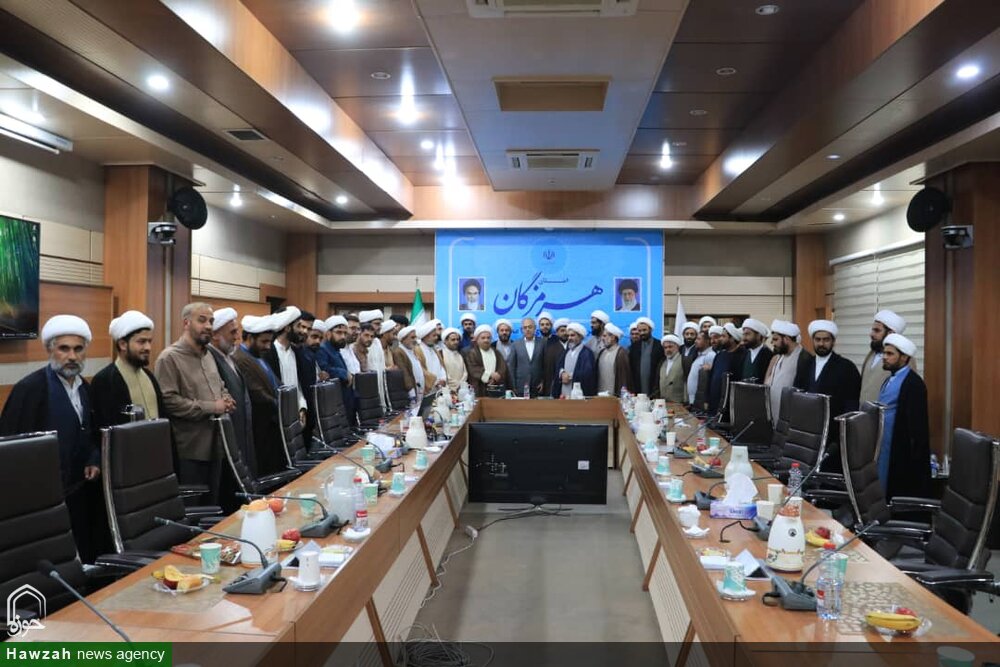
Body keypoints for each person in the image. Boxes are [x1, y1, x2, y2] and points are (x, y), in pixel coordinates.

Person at [0, 315, 102, 562]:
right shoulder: (30, 389)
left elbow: (90, 432)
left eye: (78, 349)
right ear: (49, 350)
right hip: (40, 499)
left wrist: (93, 458)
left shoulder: (85, 388)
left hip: (78, 493)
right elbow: (11, 448)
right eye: (64, 348)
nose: (72, 356)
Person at [155, 303, 234, 504]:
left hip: (217, 445)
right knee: (192, 511)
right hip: (190, 451)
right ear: (186, 323)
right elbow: (169, 401)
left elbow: (220, 385)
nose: (208, 326)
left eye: (211, 321)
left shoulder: (209, 355)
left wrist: (226, 399)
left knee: (212, 508)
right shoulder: (169, 358)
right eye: (202, 320)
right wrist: (213, 407)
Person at [793, 320, 861, 467]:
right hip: (807, 432)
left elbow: (851, 405)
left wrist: (842, 434)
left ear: (833, 341)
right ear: (813, 340)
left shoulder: (846, 368)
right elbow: (797, 396)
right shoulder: (805, 364)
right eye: (818, 339)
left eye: (826, 340)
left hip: (833, 435)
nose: (821, 344)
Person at [877, 334, 931, 499]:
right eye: (884, 353)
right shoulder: (888, 380)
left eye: (890, 354)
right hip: (884, 445)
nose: (885, 357)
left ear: (904, 357)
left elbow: (917, 430)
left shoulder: (913, 384)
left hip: (901, 451)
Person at [91, 310, 164, 429]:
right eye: (141, 342)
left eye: (149, 341)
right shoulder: (104, 380)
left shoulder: (149, 376)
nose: (148, 347)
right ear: (123, 344)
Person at [207, 307, 257, 478]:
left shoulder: (228, 357)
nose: (237, 337)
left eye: (237, 331)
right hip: (229, 438)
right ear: (215, 335)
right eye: (232, 332)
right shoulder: (211, 359)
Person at [233, 315, 284, 474]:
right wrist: (281, 405)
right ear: (249, 338)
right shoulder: (240, 359)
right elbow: (256, 393)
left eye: (270, 341)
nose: (268, 346)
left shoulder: (259, 357)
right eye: (264, 341)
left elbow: (276, 384)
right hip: (259, 427)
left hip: (272, 426)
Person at [860, 309, 916, 404]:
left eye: (877, 330)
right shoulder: (871, 354)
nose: (871, 334)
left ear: (890, 333)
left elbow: (909, 392)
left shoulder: (904, 358)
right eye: (872, 330)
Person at [763, 320, 810, 424]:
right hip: (773, 417)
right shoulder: (779, 356)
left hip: (791, 420)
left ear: (787, 339)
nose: (772, 343)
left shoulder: (804, 359)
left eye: (775, 339)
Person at [316, 315, 356, 426]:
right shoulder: (322, 349)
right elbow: (324, 370)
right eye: (339, 333)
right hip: (334, 404)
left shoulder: (336, 350)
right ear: (328, 334)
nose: (342, 336)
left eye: (344, 333)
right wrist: (343, 373)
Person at [551, 322, 597, 397]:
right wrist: (562, 373)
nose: (569, 338)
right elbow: (559, 367)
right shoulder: (566, 351)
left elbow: (588, 374)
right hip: (564, 394)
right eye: (568, 336)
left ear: (580, 337)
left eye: (572, 335)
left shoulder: (587, 353)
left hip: (578, 395)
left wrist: (570, 376)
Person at [707, 324, 743, 414]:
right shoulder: (720, 355)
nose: (720, 339)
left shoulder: (742, 356)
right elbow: (711, 378)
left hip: (729, 405)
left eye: (723, 336)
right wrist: (707, 399)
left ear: (732, 338)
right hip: (714, 403)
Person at [464, 324, 510, 397]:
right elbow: (473, 370)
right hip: (479, 389)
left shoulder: (496, 352)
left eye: (488, 338)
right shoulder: (472, 353)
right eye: (483, 338)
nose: (486, 340)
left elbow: (502, 368)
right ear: (477, 339)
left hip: (496, 388)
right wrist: (490, 375)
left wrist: (495, 378)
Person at [509, 317, 545, 397]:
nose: (527, 329)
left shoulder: (543, 343)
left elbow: (546, 365)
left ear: (535, 328)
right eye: (525, 327)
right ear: (522, 330)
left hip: (538, 386)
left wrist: (543, 381)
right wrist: (513, 386)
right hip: (520, 386)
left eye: (530, 327)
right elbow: (511, 367)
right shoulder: (515, 344)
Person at [628, 317, 664, 396]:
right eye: (640, 331)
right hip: (637, 386)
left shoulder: (659, 345)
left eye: (644, 330)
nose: (642, 333)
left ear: (650, 329)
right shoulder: (634, 347)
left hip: (655, 385)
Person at [655, 334, 691, 403]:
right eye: (665, 348)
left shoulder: (684, 360)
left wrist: (686, 401)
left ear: (677, 347)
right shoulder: (662, 362)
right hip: (663, 402)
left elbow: (687, 382)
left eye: (670, 347)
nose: (668, 350)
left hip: (679, 403)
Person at [597, 323, 631, 395]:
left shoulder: (621, 353)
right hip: (600, 395)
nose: (602, 338)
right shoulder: (602, 352)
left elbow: (624, 378)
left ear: (613, 337)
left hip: (614, 396)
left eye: (605, 336)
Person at [686, 331, 716, 407]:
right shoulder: (699, 355)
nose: (695, 341)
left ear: (707, 341)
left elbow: (709, 380)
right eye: (696, 339)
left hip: (701, 401)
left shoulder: (710, 355)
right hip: (694, 400)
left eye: (699, 339)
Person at [393, 326, 423, 400]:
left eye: (415, 337)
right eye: (412, 337)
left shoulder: (412, 350)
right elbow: (404, 372)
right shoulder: (399, 352)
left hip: (418, 390)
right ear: (403, 339)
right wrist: (411, 391)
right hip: (409, 394)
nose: (415, 340)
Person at [416, 321, 447, 393]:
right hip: (426, 389)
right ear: (426, 336)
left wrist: (443, 379)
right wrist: (434, 381)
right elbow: (420, 370)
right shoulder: (418, 350)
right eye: (434, 335)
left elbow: (441, 367)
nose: (436, 338)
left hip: (439, 388)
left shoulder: (435, 349)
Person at [739, 318, 772, 383]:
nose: (744, 338)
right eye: (743, 334)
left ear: (759, 336)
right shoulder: (744, 354)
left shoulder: (769, 356)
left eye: (747, 334)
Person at [542, 318, 570, 395]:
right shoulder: (550, 348)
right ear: (557, 333)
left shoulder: (573, 346)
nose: (565, 333)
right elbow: (548, 370)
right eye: (562, 331)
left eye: (567, 331)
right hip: (555, 386)